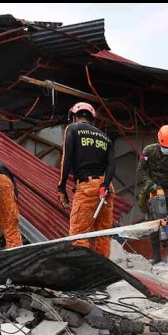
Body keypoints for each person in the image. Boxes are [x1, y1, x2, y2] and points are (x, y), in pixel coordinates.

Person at [57, 102, 115, 258]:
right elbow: (111, 165)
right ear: (92, 118)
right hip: (106, 188)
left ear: (74, 117)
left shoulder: (73, 129)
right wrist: (105, 185)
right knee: (103, 235)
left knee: (79, 235)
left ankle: (81, 269)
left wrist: (61, 187)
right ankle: (102, 269)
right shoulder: (105, 137)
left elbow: (67, 159)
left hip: (87, 186)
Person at [136, 125, 168, 263]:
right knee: (153, 222)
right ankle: (156, 255)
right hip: (152, 189)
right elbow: (141, 169)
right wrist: (150, 184)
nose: (167, 149)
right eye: (165, 147)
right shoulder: (148, 151)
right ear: (159, 141)